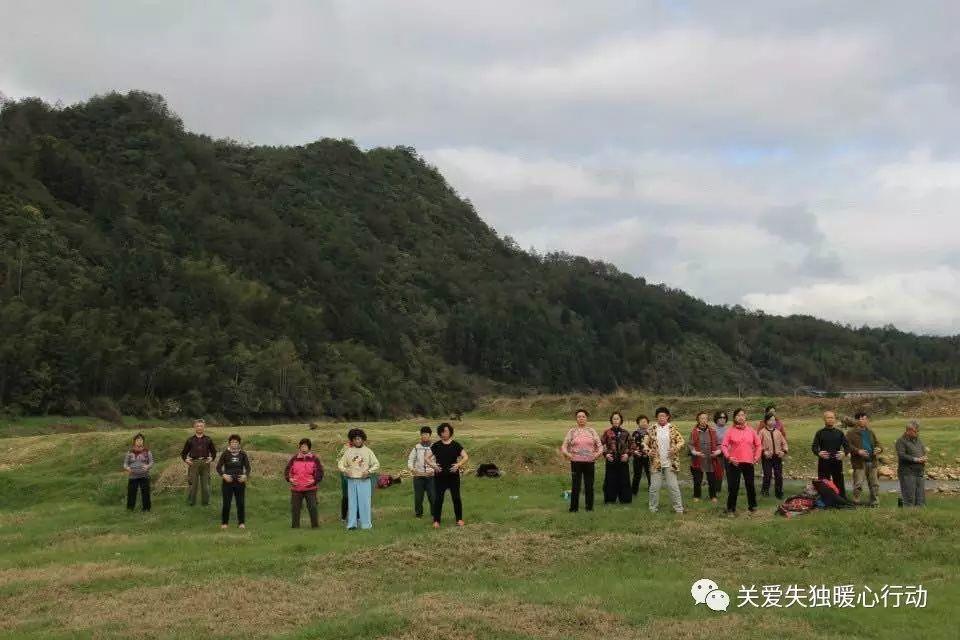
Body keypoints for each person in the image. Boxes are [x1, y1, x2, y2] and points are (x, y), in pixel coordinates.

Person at [643, 407, 684, 514]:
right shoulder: (651, 429)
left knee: (673, 486)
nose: (661, 418)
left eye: (664, 416)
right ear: (657, 417)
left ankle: (679, 509)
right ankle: (653, 508)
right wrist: (648, 450)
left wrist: (675, 449)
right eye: (659, 416)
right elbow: (644, 443)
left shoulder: (673, 428)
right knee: (654, 487)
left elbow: (681, 441)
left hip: (670, 462)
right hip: (656, 463)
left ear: (667, 417)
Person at [337, 428, 380, 530]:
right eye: (355, 439)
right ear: (352, 440)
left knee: (365, 503)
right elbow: (340, 464)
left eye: (359, 439)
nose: (357, 441)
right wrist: (345, 470)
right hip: (352, 481)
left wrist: (368, 471)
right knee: (352, 503)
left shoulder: (368, 451)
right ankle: (352, 524)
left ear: (363, 439)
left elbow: (376, 464)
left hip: (364, 481)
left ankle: (366, 525)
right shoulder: (348, 451)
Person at [561, 409, 603, 512]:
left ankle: (589, 508)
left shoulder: (592, 431)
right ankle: (573, 508)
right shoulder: (572, 431)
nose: (581, 418)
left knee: (589, 485)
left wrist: (596, 455)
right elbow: (564, 446)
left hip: (590, 462)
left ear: (586, 418)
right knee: (576, 485)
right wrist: (568, 454)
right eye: (579, 417)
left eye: (583, 416)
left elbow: (600, 446)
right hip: (575, 462)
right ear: (576, 419)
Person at [721, 408, 762, 514]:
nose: (741, 417)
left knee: (750, 485)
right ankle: (731, 509)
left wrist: (756, 457)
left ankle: (752, 507)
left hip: (748, 462)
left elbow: (758, 445)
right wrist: (729, 457)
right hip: (735, 462)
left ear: (745, 417)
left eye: (743, 415)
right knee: (734, 487)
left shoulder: (751, 430)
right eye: (738, 415)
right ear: (735, 418)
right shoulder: (730, 430)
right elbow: (724, 446)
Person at [431, 423, 468, 528]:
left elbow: (465, 456)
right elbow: (426, 458)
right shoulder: (436, 445)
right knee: (439, 498)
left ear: (450, 432)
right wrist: (434, 465)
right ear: (440, 433)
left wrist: (458, 464)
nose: (444, 433)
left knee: (456, 498)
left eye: (446, 431)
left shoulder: (456, 445)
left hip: (453, 476)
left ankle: (459, 519)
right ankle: (436, 521)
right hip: (440, 476)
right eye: (442, 431)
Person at [284, 438, 324, 528]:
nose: (303, 448)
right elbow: (287, 470)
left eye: (305, 446)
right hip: (296, 488)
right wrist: (290, 479)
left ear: (309, 448)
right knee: (295, 509)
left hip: (310, 488)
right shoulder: (294, 458)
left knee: (313, 507)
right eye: (302, 446)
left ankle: (315, 526)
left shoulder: (314, 459)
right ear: (299, 447)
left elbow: (320, 472)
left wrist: (314, 480)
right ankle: (295, 527)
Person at [846, 411, 882, 506]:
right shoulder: (851, 433)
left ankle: (875, 503)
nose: (861, 420)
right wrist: (858, 451)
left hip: (872, 461)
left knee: (874, 484)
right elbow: (847, 446)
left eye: (864, 418)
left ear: (867, 420)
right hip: (859, 463)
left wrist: (879, 449)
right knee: (858, 484)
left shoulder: (870, 432)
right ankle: (856, 502)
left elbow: (878, 443)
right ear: (856, 420)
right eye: (859, 419)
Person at [811, 410, 850, 498]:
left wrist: (844, 453)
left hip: (837, 461)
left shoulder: (839, 433)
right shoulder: (820, 433)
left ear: (835, 419)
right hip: (824, 462)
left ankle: (840, 499)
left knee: (839, 481)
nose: (830, 419)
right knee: (824, 482)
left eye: (832, 417)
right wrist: (819, 453)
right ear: (824, 419)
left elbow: (847, 447)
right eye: (828, 418)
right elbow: (814, 447)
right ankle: (825, 500)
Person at [216, 434, 251, 529]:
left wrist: (245, 476)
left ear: (239, 444)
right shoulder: (225, 453)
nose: (234, 444)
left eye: (236, 442)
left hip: (240, 482)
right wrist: (224, 475)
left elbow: (248, 468)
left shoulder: (243, 454)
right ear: (229, 443)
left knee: (240, 503)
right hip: (228, 482)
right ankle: (224, 523)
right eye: (232, 442)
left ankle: (241, 523)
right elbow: (218, 467)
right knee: (226, 503)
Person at [688, 411, 723, 503]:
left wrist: (718, 451)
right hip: (698, 459)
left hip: (710, 459)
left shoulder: (713, 431)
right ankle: (697, 495)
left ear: (707, 420)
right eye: (701, 418)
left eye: (705, 418)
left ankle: (713, 496)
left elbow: (719, 444)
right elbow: (690, 444)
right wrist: (694, 452)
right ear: (698, 420)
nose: (703, 420)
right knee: (697, 480)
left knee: (712, 480)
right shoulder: (694, 432)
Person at [180, 419, 216, 506]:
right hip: (194, 463)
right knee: (193, 485)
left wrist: (211, 458)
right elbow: (183, 453)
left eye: (201, 426)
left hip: (205, 463)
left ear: (204, 427)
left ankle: (205, 503)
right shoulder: (190, 440)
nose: (199, 427)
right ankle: (191, 503)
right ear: (194, 427)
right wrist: (186, 460)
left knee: (206, 486)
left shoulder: (208, 439)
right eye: (197, 426)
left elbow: (214, 452)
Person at [601, 411, 634, 504]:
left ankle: (625, 500)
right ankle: (610, 500)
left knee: (624, 480)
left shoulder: (626, 433)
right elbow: (599, 445)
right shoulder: (607, 432)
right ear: (611, 420)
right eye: (614, 419)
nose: (616, 420)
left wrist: (627, 454)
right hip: (611, 461)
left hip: (623, 461)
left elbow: (633, 445)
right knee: (610, 481)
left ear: (621, 420)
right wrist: (606, 454)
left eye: (617, 418)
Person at [407, 426, 438, 518]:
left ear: (430, 435)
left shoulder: (435, 447)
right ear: (420, 435)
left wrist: (434, 470)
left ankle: (434, 514)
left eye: (426, 434)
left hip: (431, 476)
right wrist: (412, 469)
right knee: (418, 497)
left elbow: (438, 461)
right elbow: (410, 460)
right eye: (423, 434)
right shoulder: (416, 447)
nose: (424, 436)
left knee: (432, 496)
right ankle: (418, 514)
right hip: (418, 476)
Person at [895, 421, 927, 507]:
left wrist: (924, 457)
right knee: (909, 497)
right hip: (907, 472)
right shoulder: (901, 441)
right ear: (908, 431)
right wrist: (915, 459)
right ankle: (906, 516)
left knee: (920, 497)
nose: (917, 433)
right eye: (915, 431)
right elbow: (901, 455)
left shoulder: (918, 440)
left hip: (919, 471)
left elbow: (923, 451)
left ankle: (919, 516)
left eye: (918, 431)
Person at [759, 412, 788, 499]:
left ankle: (779, 493)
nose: (772, 422)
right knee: (767, 475)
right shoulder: (762, 432)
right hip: (767, 457)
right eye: (770, 420)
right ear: (766, 421)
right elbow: (757, 444)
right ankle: (765, 491)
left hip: (777, 457)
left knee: (779, 475)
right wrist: (764, 451)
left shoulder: (778, 432)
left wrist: (784, 451)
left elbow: (784, 443)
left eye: (774, 420)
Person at [123, 433, 153, 512]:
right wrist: (127, 468)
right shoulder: (130, 452)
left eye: (141, 440)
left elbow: (151, 462)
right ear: (134, 442)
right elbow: (125, 464)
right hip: (133, 476)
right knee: (131, 493)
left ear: (143, 441)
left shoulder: (147, 451)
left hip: (144, 476)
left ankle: (146, 509)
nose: (139, 442)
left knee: (145, 493)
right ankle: (130, 509)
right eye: (138, 440)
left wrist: (147, 467)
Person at [631, 415, 651, 494]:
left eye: (645, 422)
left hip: (648, 456)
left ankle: (651, 489)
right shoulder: (635, 433)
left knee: (650, 474)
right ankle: (634, 491)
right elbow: (632, 444)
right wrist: (635, 451)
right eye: (642, 422)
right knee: (637, 474)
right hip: (638, 456)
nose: (644, 423)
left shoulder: (650, 433)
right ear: (638, 423)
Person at [713, 410, 729, 494]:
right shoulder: (712, 429)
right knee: (718, 473)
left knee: (730, 472)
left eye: (724, 417)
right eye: (720, 417)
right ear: (716, 419)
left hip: (728, 453)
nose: (722, 419)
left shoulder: (729, 429)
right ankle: (717, 490)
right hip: (717, 453)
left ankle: (731, 490)